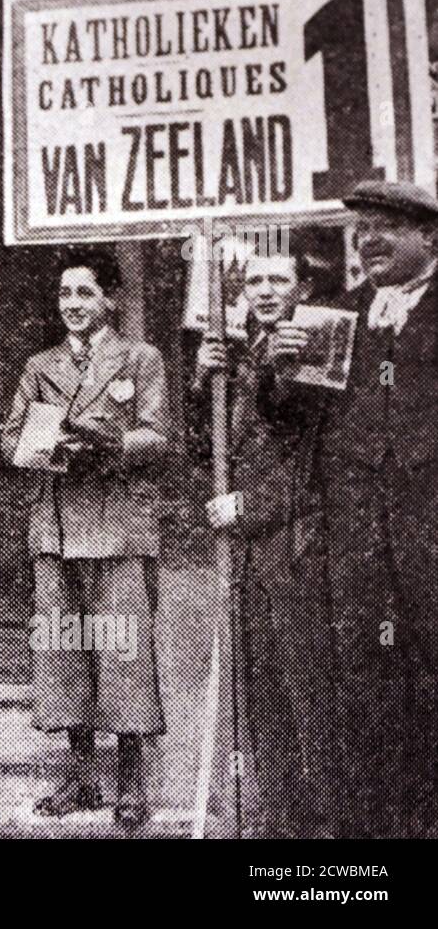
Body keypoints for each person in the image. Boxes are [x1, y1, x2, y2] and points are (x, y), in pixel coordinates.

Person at [271, 179, 438, 838]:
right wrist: (278, 373)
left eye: (384, 227)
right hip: (359, 543)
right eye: (360, 229)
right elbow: (292, 421)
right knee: (368, 691)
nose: (368, 240)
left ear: (428, 236)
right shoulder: (331, 317)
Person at [0, 247, 168, 830]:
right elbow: (9, 435)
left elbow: (158, 435)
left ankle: (130, 784)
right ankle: (76, 779)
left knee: (122, 654)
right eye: (66, 294)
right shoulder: (38, 365)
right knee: (63, 654)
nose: (73, 305)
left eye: (85, 293)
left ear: (110, 299)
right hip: (57, 525)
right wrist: (30, 443)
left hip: (117, 525)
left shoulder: (140, 358)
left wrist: (109, 445)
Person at [185, 248, 333, 837]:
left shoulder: (319, 349)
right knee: (260, 700)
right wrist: (203, 384)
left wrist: (247, 506)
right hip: (244, 554)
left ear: (300, 288)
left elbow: (318, 463)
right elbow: (204, 451)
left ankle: (324, 837)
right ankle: (275, 831)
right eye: (255, 281)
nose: (266, 290)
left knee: (308, 697)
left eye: (280, 279)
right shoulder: (235, 355)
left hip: (295, 544)